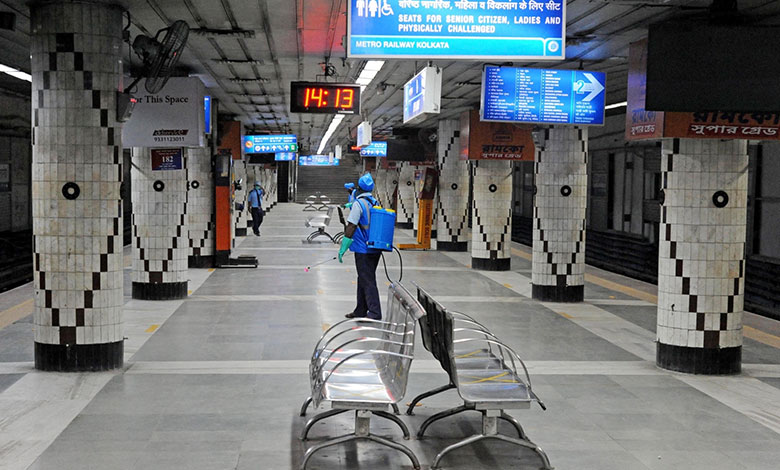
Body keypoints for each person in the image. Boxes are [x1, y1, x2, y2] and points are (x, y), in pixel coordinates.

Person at [339, 173, 382, 320]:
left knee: (367, 279)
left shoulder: (359, 204)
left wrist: (343, 246)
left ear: (359, 188)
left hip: (363, 249)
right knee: (363, 277)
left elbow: (351, 225)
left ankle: (375, 312)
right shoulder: (375, 202)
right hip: (375, 247)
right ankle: (360, 309)